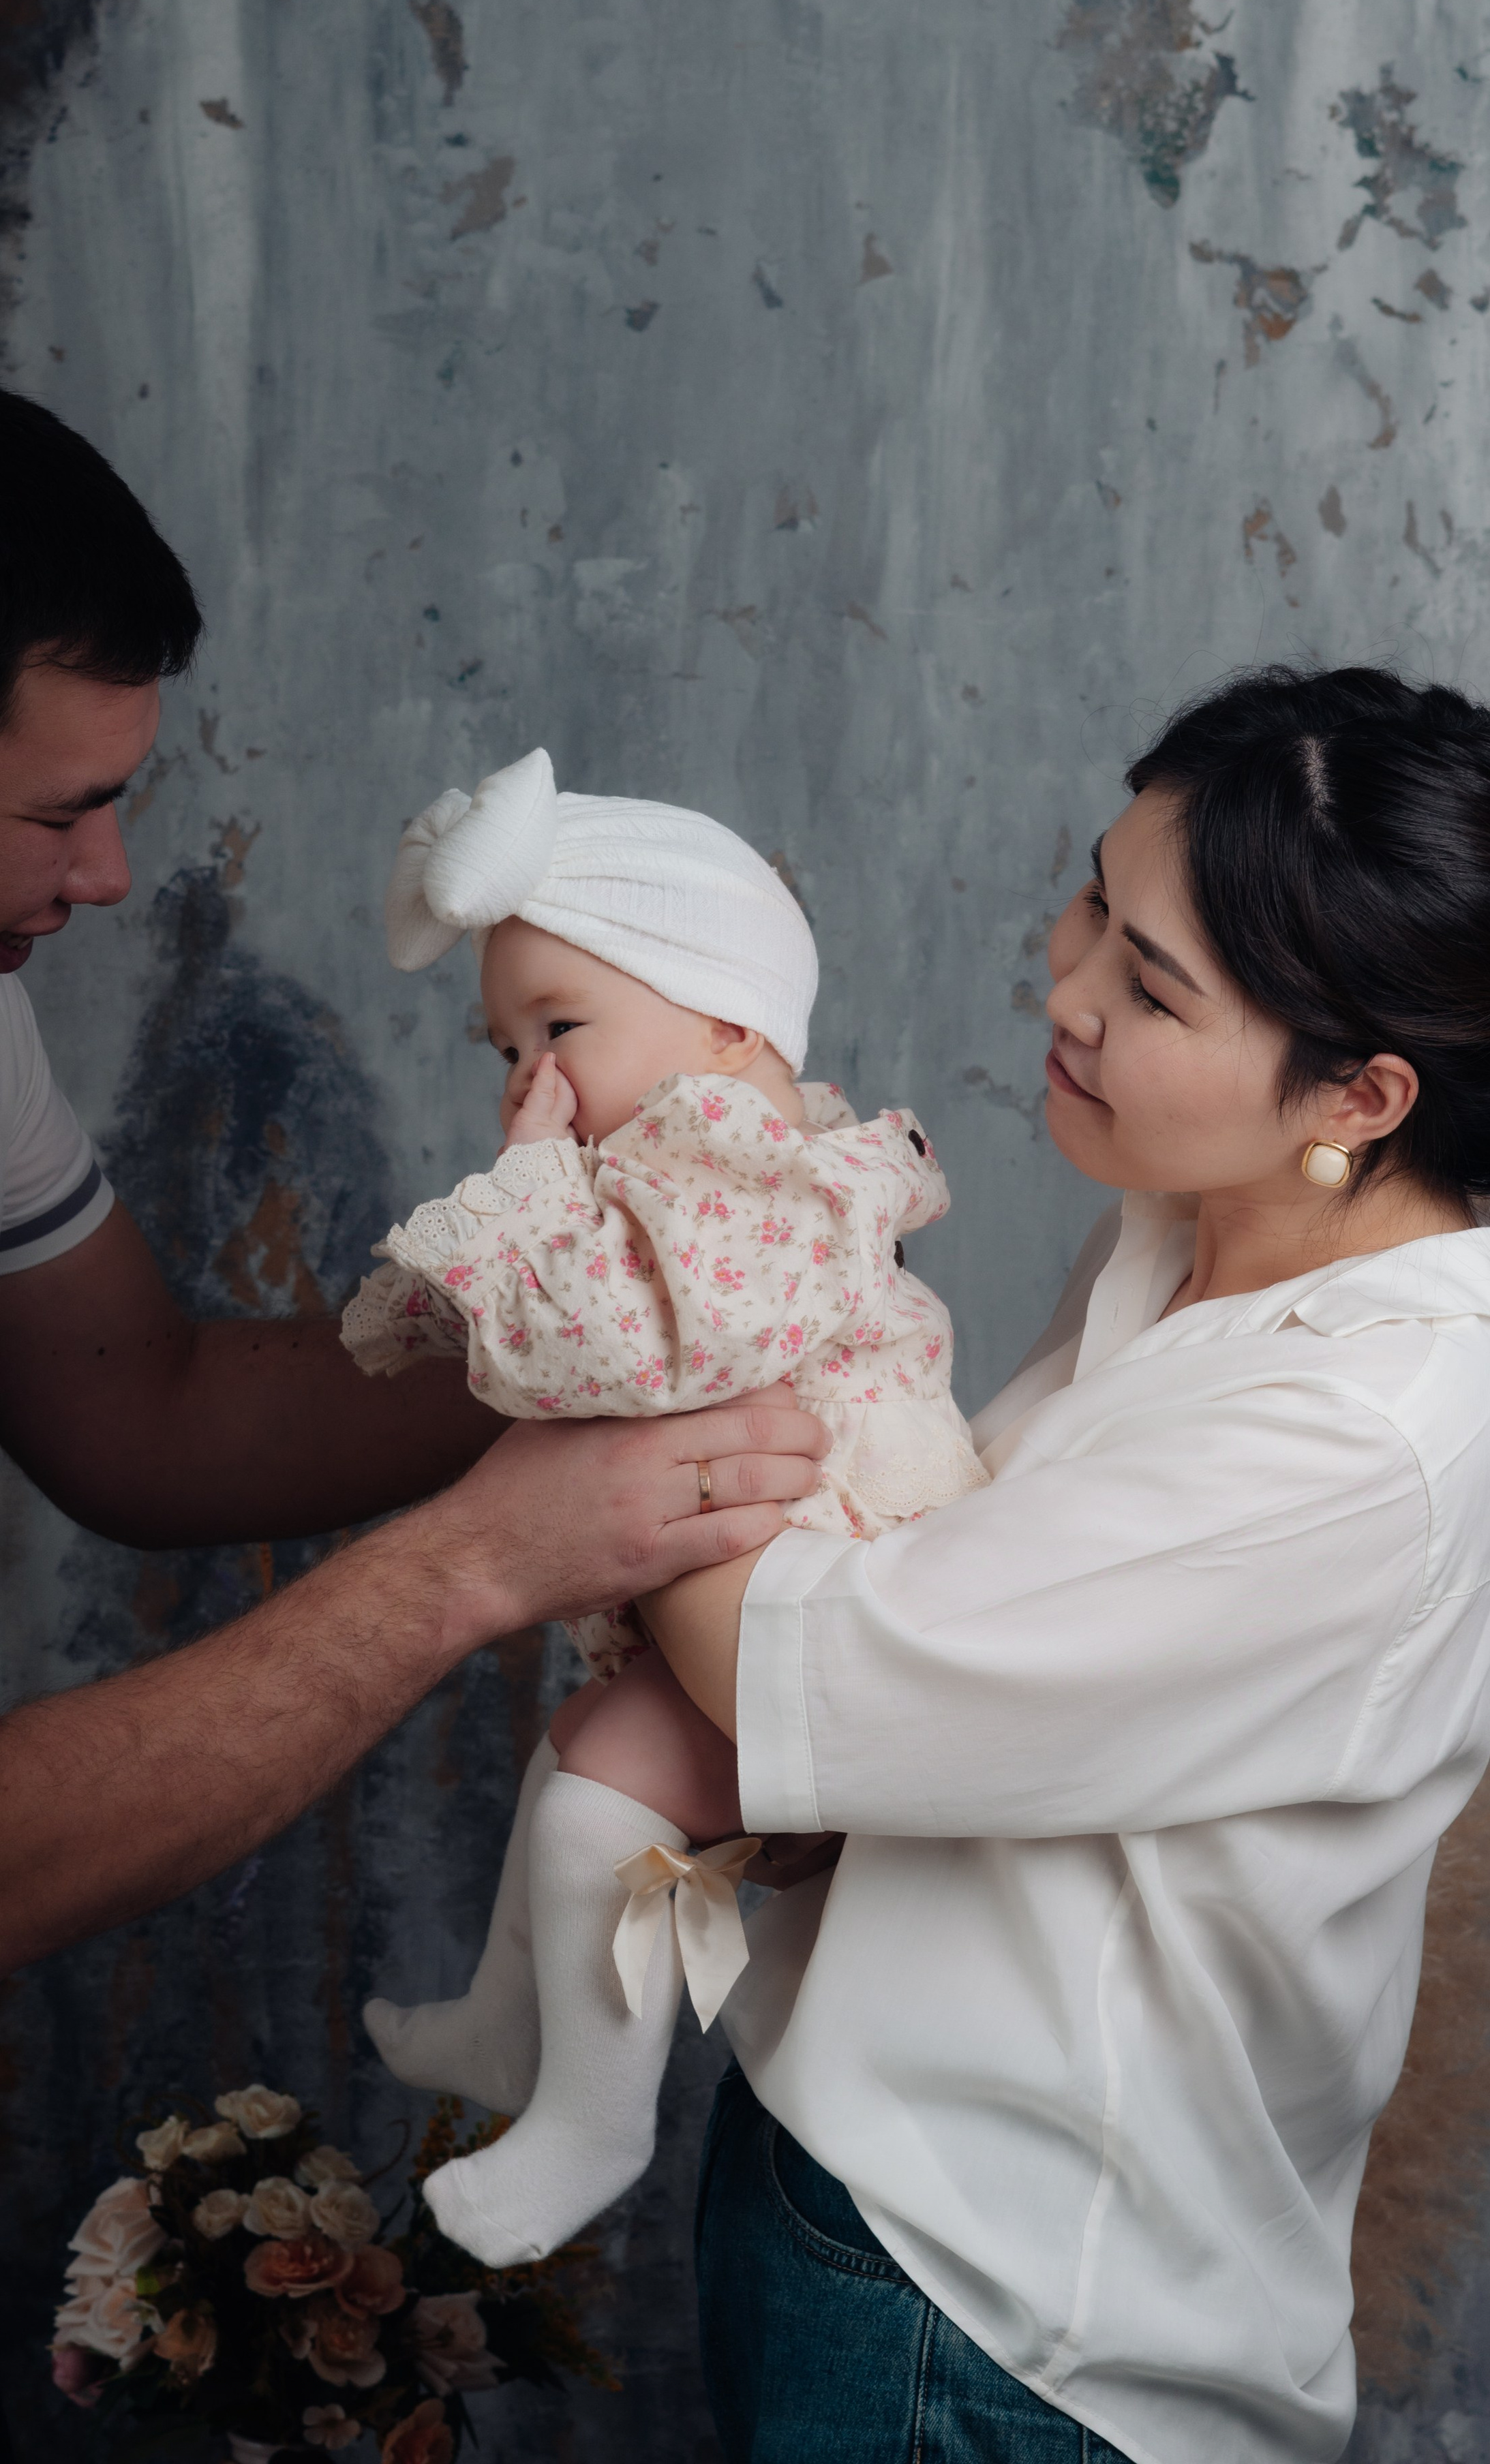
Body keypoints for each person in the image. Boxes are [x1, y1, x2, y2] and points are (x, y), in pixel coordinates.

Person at [635, 668, 1490, 2464]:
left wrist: (619, 1354)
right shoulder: (1202, 1235)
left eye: (1148, 987)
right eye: (1093, 902)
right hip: (877, 2177)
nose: (1062, 988)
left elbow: (790, 1677)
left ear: (1365, 1095)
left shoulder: (1346, 1442)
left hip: (998, 2318)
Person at [0, 384, 826, 2456]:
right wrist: (480, 1565)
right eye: (53, 813)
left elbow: (145, 1408)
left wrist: (584, 1342)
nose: (108, 878)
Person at [336, 745, 987, 2264]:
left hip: (836, 1601)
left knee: (597, 1816)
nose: (533, 1084)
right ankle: (513, 2030)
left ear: (722, 1018)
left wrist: (529, 1188)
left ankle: (590, 2124)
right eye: (507, 1046)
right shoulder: (684, 1166)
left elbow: (624, 1355)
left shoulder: (752, 1174)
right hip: (760, 1574)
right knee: (580, 1762)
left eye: (560, 1028)